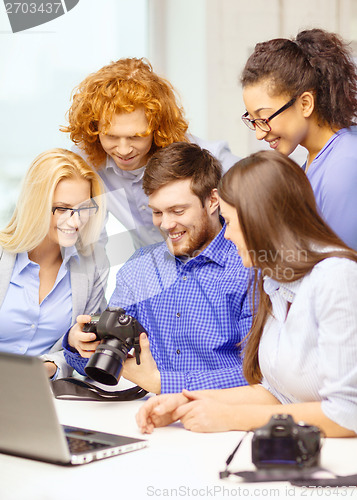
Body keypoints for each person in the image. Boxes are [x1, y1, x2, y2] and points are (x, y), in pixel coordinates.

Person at [136, 150, 357, 438]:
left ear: (262, 219)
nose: (226, 235)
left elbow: (347, 413)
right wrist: (187, 402)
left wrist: (232, 416)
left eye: (231, 221)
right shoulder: (274, 282)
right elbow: (276, 393)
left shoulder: (336, 277)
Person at [63, 142, 252, 393]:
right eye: (157, 212)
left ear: (212, 200)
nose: (166, 224)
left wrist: (163, 384)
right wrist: (77, 342)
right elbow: (107, 358)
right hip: (145, 416)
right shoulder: (140, 268)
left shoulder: (249, 268)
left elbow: (261, 373)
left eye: (177, 210)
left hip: (223, 418)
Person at [62, 57, 239, 249]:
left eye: (136, 137)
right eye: (111, 137)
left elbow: (264, 193)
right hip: (151, 271)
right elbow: (89, 240)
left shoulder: (209, 158)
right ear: (95, 130)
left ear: (157, 128)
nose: (123, 150)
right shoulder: (84, 162)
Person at [240, 28, 357, 250]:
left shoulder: (344, 167)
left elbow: (342, 269)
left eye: (264, 118)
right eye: (252, 120)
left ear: (305, 104)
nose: (259, 133)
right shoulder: (317, 160)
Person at [0, 149, 109, 379]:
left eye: (84, 208)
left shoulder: (93, 267)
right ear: (35, 204)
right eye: (62, 208)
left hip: (44, 394)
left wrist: (57, 360)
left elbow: (86, 355)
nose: (76, 221)